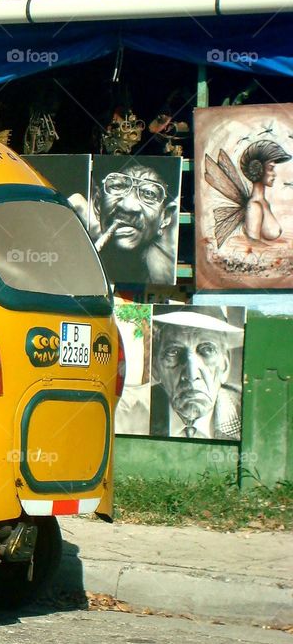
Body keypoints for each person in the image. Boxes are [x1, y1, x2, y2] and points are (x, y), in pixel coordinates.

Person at [70, 163, 177, 284]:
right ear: (97, 204)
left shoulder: (163, 277)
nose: (127, 206)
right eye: (118, 186)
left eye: (148, 193)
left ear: (165, 217)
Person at [149, 308, 243, 440]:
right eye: (174, 352)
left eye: (207, 350)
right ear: (155, 367)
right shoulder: (134, 412)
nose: (192, 376)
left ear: (225, 365)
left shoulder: (248, 413)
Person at [240, 140, 291, 242]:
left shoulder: (264, 203)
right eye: (271, 168)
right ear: (259, 169)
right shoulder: (255, 206)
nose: (274, 174)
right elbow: (253, 246)